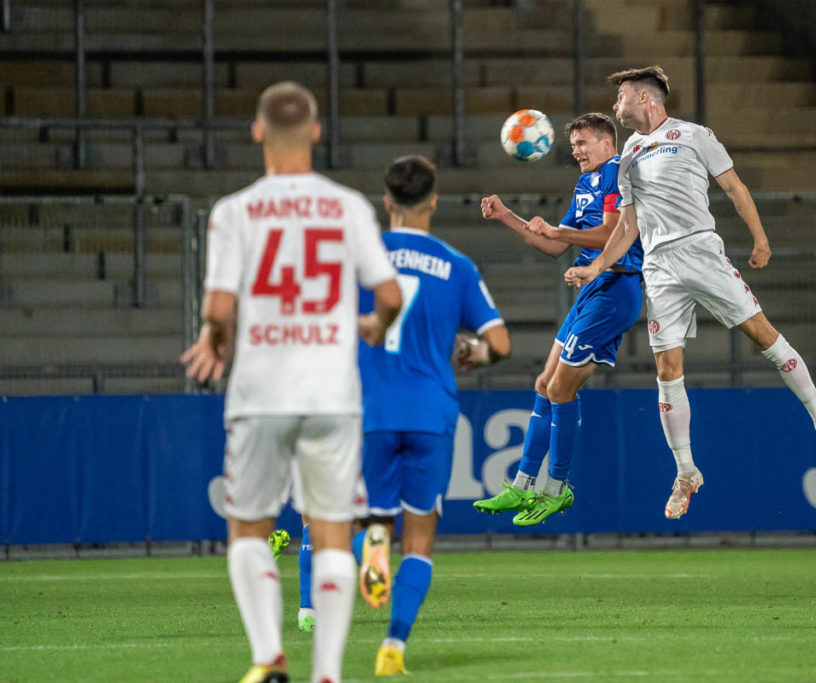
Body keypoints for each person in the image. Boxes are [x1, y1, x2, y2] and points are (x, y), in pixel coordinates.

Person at [181, 81, 402, 683]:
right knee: (331, 534)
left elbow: (220, 307)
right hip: (332, 392)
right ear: (316, 132)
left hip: (260, 393)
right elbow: (389, 295)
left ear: (256, 132)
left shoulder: (235, 211)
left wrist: (212, 338)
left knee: (249, 527)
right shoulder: (349, 206)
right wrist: (372, 326)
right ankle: (326, 673)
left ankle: (267, 658)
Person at [564, 65, 816, 519]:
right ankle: (686, 471)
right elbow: (628, 225)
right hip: (659, 267)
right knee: (667, 368)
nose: (615, 105)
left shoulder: (695, 136)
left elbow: (734, 187)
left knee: (763, 336)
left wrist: (760, 239)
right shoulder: (631, 153)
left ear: (645, 99)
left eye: (621, 96)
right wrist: (596, 266)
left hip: (700, 251)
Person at [294, 156, 511, 676]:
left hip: (368, 411)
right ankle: (394, 645)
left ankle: (369, 542)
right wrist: (474, 354)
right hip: (431, 412)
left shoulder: (354, 260)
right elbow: (500, 343)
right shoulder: (457, 265)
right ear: (434, 202)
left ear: (386, 202)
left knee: (367, 518)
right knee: (419, 540)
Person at [473, 112, 644, 525]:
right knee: (543, 384)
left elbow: (611, 234)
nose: (577, 151)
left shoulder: (618, 173)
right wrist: (506, 216)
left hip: (617, 289)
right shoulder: (585, 183)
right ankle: (523, 484)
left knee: (560, 386)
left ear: (607, 143)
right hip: (591, 291)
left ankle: (557, 487)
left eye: (584, 143)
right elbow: (552, 244)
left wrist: (559, 232)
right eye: (574, 145)